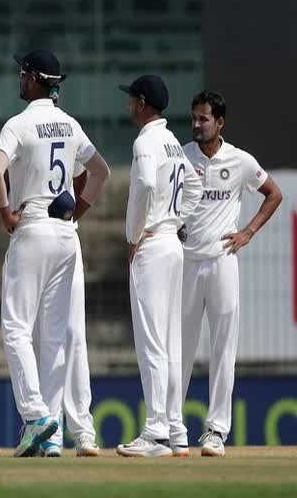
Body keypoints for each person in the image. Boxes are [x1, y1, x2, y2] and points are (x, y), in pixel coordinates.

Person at [0, 50, 110, 458]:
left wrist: (5, 213)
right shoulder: (70, 124)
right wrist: (80, 210)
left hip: (33, 226)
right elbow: (101, 171)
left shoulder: (18, 124)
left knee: (16, 328)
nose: (20, 80)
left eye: (24, 74)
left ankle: (36, 415)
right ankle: (53, 438)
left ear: (35, 79)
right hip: (65, 233)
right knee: (56, 336)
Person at [180, 90, 282, 456]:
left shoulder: (239, 160)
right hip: (187, 263)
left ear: (219, 122)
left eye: (204, 118)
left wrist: (247, 232)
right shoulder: (182, 156)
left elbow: (273, 193)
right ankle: (171, 427)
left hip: (223, 261)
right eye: (194, 117)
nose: (196, 124)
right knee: (180, 348)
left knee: (223, 348)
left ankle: (216, 431)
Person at [117, 75, 203, 457]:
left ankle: (155, 432)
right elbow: (195, 188)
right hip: (172, 244)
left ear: (141, 103)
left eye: (131, 99)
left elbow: (147, 185)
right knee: (170, 342)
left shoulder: (146, 142)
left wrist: (134, 236)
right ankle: (176, 429)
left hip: (152, 246)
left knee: (152, 341)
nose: (128, 105)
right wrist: (175, 220)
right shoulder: (172, 142)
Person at [34, 163, 100, 457]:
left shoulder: (70, 137)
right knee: (39, 337)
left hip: (64, 236)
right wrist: (9, 213)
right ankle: (49, 431)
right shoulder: (15, 137)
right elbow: (0, 173)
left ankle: (82, 429)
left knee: (73, 334)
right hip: (30, 237)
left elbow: (90, 171)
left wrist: (73, 213)